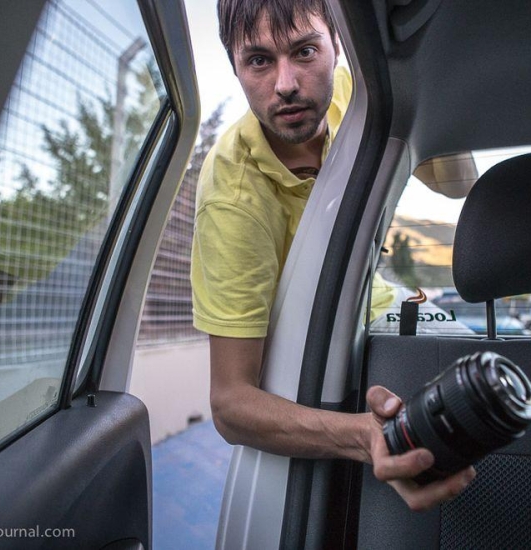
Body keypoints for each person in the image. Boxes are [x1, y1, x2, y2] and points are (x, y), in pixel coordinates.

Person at [190, 0, 475, 511]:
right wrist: (364, 437)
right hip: (313, 366)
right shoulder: (234, 195)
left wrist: (426, 83)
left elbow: (459, 187)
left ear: (338, 46)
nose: (286, 84)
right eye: (258, 61)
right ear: (234, 66)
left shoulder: (360, 97)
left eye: (304, 51)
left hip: (388, 310)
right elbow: (231, 404)